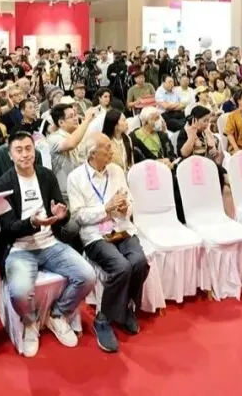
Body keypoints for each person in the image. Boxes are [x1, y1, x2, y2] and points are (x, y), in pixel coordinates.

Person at [0, 131, 94, 357]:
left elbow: (60, 212)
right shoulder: (4, 183)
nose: (25, 154)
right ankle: (30, 323)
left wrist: (61, 215)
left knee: (87, 276)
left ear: (35, 150)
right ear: (10, 155)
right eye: (19, 150)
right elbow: (8, 228)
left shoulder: (46, 176)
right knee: (19, 292)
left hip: (50, 244)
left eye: (28, 148)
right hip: (20, 249)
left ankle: (57, 315)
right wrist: (32, 223)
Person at [67, 133, 148, 353]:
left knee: (139, 262)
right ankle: (102, 318)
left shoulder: (117, 171)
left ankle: (125, 307)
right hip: (95, 234)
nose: (112, 151)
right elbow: (78, 216)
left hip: (121, 227)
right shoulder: (76, 178)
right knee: (121, 267)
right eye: (107, 148)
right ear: (93, 153)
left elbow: (130, 200)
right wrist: (106, 208)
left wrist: (125, 208)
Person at [46, 104, 99, 201]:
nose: (76, 118)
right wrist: (86, 120)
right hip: (64, 197)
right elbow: (71, 144)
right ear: (61, 122)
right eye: (71, 116)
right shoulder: (53, 138)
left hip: (80, 192)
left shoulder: (76, 136)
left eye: (75, 115)